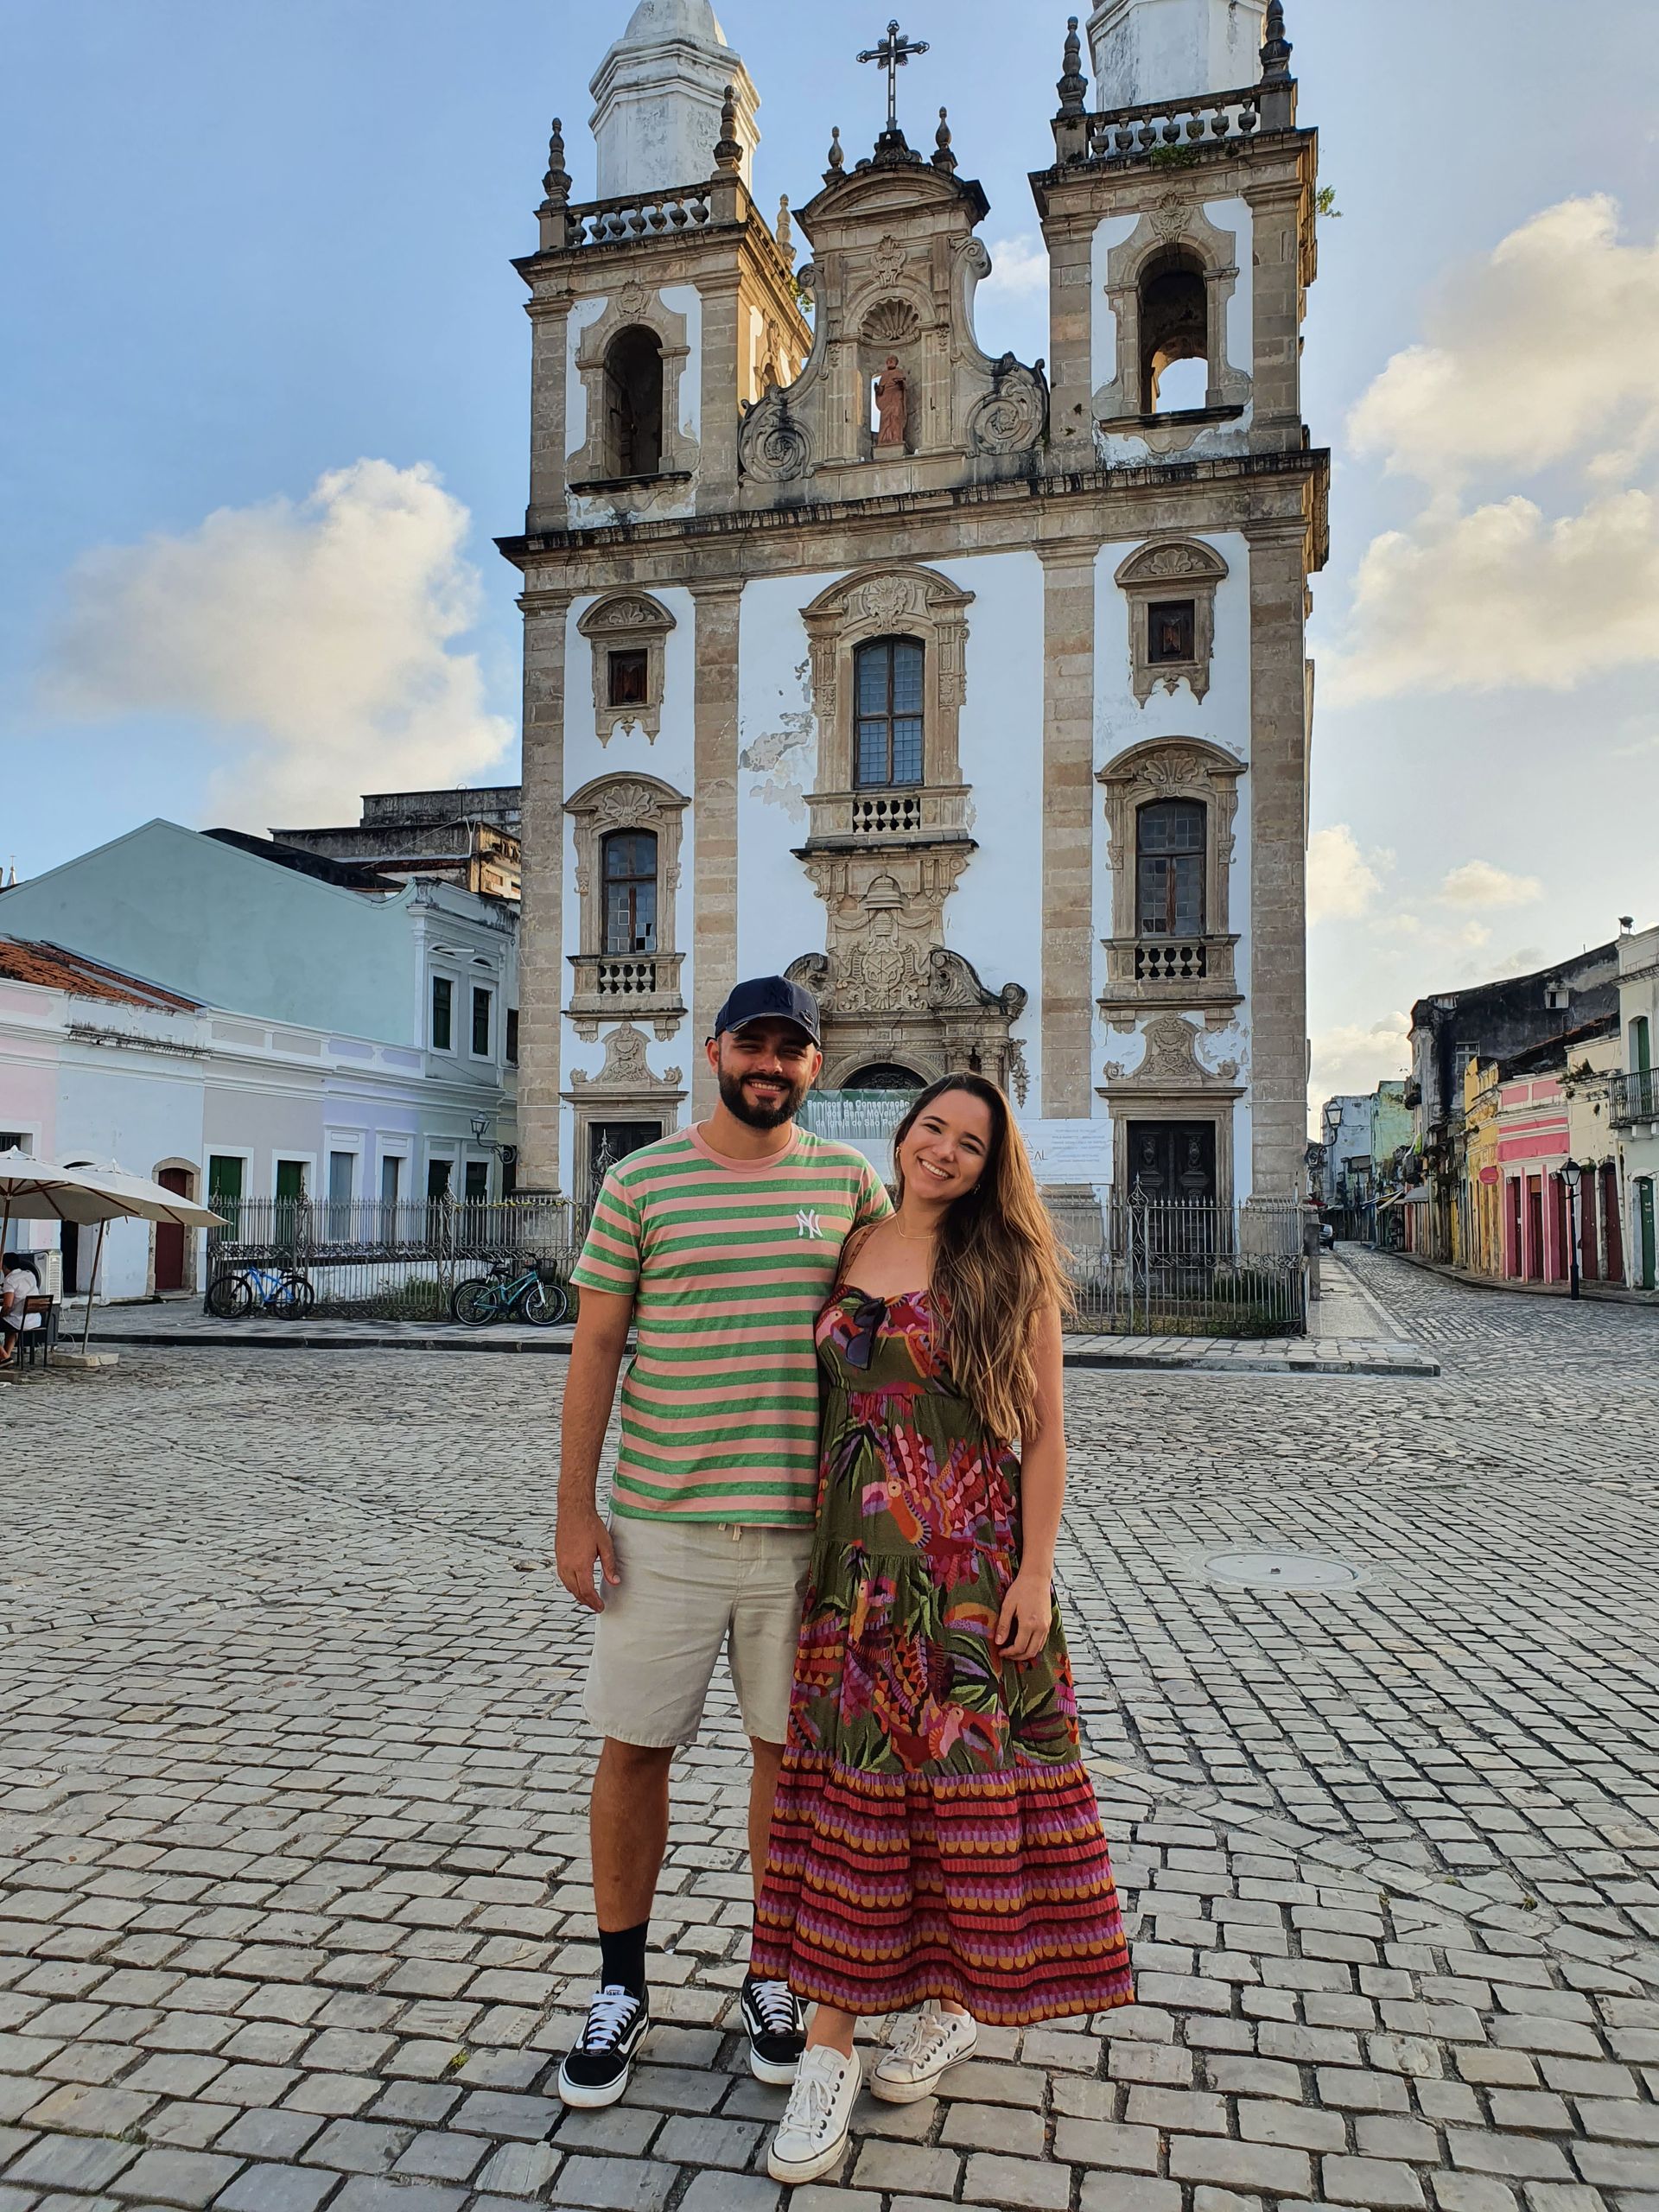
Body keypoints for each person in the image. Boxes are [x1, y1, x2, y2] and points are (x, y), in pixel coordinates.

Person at [753, 1073, 1135, 2186]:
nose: (946, 1151)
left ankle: (920, 2015)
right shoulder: (854, 1241)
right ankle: (842, 2042)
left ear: (990, 1164)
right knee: (859, 1799)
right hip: (852, 1573)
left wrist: (1036, 1575)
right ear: (903, 1134)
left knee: (952, 1787)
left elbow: (1045, 1435)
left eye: (971, 1141)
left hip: (963, 1572)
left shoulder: (1005, 1268)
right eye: (934, 1128)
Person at [554, 976, 892, 2108]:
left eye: (792, 1049)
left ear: (814, 1065)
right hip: (662, 1525)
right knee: (634, 1748)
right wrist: (575, 1508)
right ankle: (620, 1984)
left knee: (786, 1767)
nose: (771, 1064)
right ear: (714, 1053)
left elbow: (903, 1327)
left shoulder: (850, 1186)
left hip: (807, 1534)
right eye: (754, 1044)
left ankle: (773, 1976)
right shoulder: (641, 1182)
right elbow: (597, 1348)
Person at [0, 1253, 42, 1366]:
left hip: (19, 1321)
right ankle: (6, 1358)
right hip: (35, 1319)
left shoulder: (10, 1280)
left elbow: (7, 1306)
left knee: (9, 1323)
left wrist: (1, 1315)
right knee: (10, 1326)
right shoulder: (29, 1274)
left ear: (4, 1266)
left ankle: (4, 1356)